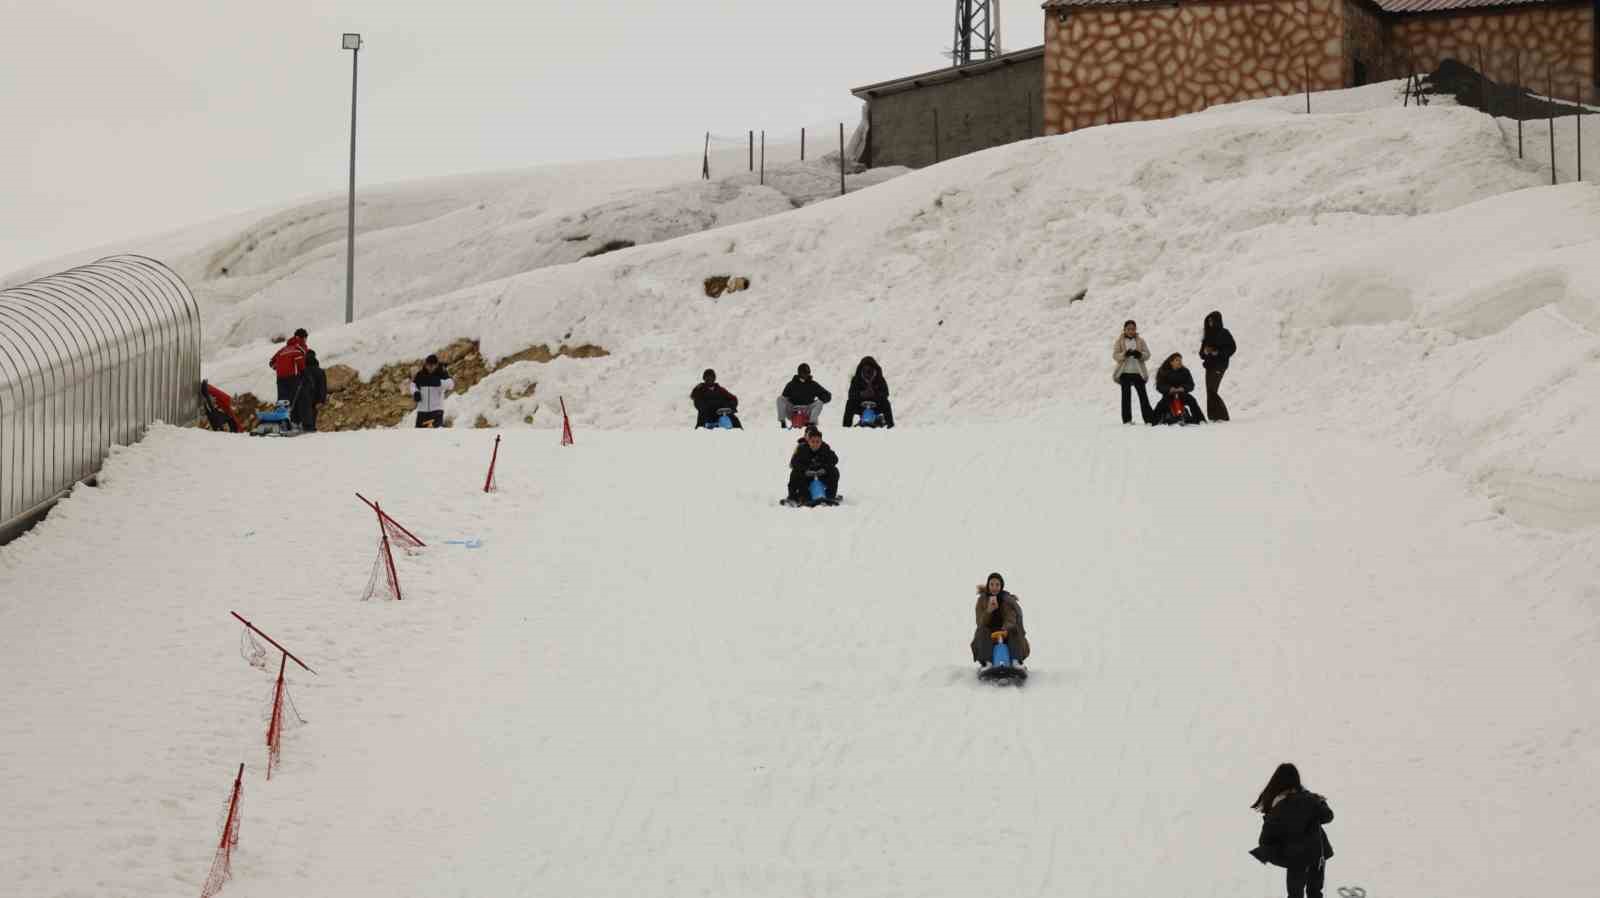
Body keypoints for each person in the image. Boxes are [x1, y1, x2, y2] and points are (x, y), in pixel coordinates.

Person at [1249, 763, 1335, 898]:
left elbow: (1266, 837)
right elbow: (1328, 816)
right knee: (1315, 892)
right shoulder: (1310, 798)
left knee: (1295, 894)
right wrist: (1321, 801)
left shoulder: (1278, 805)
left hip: (1295, 856)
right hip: (1317, 852)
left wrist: (1272, 850)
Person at [971, 572, 1029, 667]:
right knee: (982, 631)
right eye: (992, 584)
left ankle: (1016, 661)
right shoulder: (982, 600)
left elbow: (1011, 618)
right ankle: (987, 663)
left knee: (1014, 629)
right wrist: (988, 611)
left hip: (1006, 632)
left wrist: (1005, 629)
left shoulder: (1007, 600)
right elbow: (980, 622)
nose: (994, 587)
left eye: (997, 585)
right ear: (988, 586)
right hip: (988, 636)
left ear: (1001, 586)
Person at [1112, 320, 1154, 425]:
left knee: (1143, 396)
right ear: (1124, 329)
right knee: (1126, 397)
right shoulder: (1119, 341)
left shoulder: (1140, 341)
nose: (1131, 331)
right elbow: (1115, 355)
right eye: (1129, 329)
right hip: (1124, 372)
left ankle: (1148, 419)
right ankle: (1127, 420)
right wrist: (1124, 354)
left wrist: (1139, 355)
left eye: (1133, 329)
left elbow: (1147, 354)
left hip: (1138, 372)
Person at [786, 424, 840, 504]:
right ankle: (800, 497)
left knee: (834, 471)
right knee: (795, 473)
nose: (815, 444)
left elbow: (834, 459)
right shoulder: (802, 448)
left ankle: (830, 496)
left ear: (821, 441)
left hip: (821, 474)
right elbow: (794, 463)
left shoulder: (825, 448)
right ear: (808, 441)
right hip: (806, 476)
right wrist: (805, 471)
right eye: (812, 442)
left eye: (817, 442)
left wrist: (824, 469)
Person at [1199, 310, 1236, 422]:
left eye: (1212, 320)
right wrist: (1205, 352)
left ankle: (1222, 416)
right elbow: (1201, 353)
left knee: (1212, 390)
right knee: (1209, 390)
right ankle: (1213, 416)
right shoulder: (1207, 335)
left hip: (1220, 365)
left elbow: (1232, 348)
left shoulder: (1224, 333)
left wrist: (1218, 352)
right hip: (1209, 365)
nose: (1210, 323)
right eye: (1209, 321)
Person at [1151, 353, 1205, 425]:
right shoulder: (1163, 371)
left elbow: (1191, 385)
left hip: (1182, 394)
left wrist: (1183, 388)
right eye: (1177, 360)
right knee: (1161, 405)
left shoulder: (1185, 371)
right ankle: (1154, 422)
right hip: (1169, 395)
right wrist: (1169, 389)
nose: (1180, 362)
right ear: (1171, 362)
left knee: (1192, 401)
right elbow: (1160, 386)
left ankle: (1200, 420)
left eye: (1180, 360)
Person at [842, 355, 894, 428]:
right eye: (865, 369)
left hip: (876, 405)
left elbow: (886, 393)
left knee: (886, 403)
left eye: (870, 369)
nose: (868, 371)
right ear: (861, 369)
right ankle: (846, 427)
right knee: (850, 403)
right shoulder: (856, 379)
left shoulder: (880, 379)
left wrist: (875, 394)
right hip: (860, 405)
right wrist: (861, 394)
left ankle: (890, 426)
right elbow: (851, 394)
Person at [778, 363, 832, 429]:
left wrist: (823, 398)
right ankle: (782, 421)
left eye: (808, 373)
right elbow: (784, 398)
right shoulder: (791, 384)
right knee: (780, 399)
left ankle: (812, 423)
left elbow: (827, 395)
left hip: (807, 410)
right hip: (793, 410)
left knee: (819, 402)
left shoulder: (813, 384)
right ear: (799, 373)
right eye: (804, 373)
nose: (806, 375)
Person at [409, 354, 454, 428]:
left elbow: (451, 385)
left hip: (436, 411)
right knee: (418, 435)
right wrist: (415, 392)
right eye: (428, 365)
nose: (430, 368)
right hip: (422, 411)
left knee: (434, 436)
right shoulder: (420, 374)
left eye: (432, 366)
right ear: (425, 365)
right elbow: (413, 385)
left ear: (436, 365)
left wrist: (439, 382)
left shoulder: (442, 373)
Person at [268, 328, 309, 406]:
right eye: (305, 338)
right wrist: (304, 373)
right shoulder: (300, 347)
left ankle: (280, 415)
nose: (306, 340)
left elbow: (271, 363)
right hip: (292, 377)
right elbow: (299, 360)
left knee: (282, 400)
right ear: (302, 338)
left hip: (280, 377)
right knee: (294, 400)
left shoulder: (283, 349)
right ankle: (292, 414)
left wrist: (280, 367)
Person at [299, 349, 329, 432]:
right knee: (313, 410)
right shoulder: (320, 371)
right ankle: (311, 427)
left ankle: (306, 426)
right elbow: (323, 386)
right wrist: (322, 400)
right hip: (316, 396)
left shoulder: (302, 370)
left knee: (305, 410)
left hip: (304, 395)